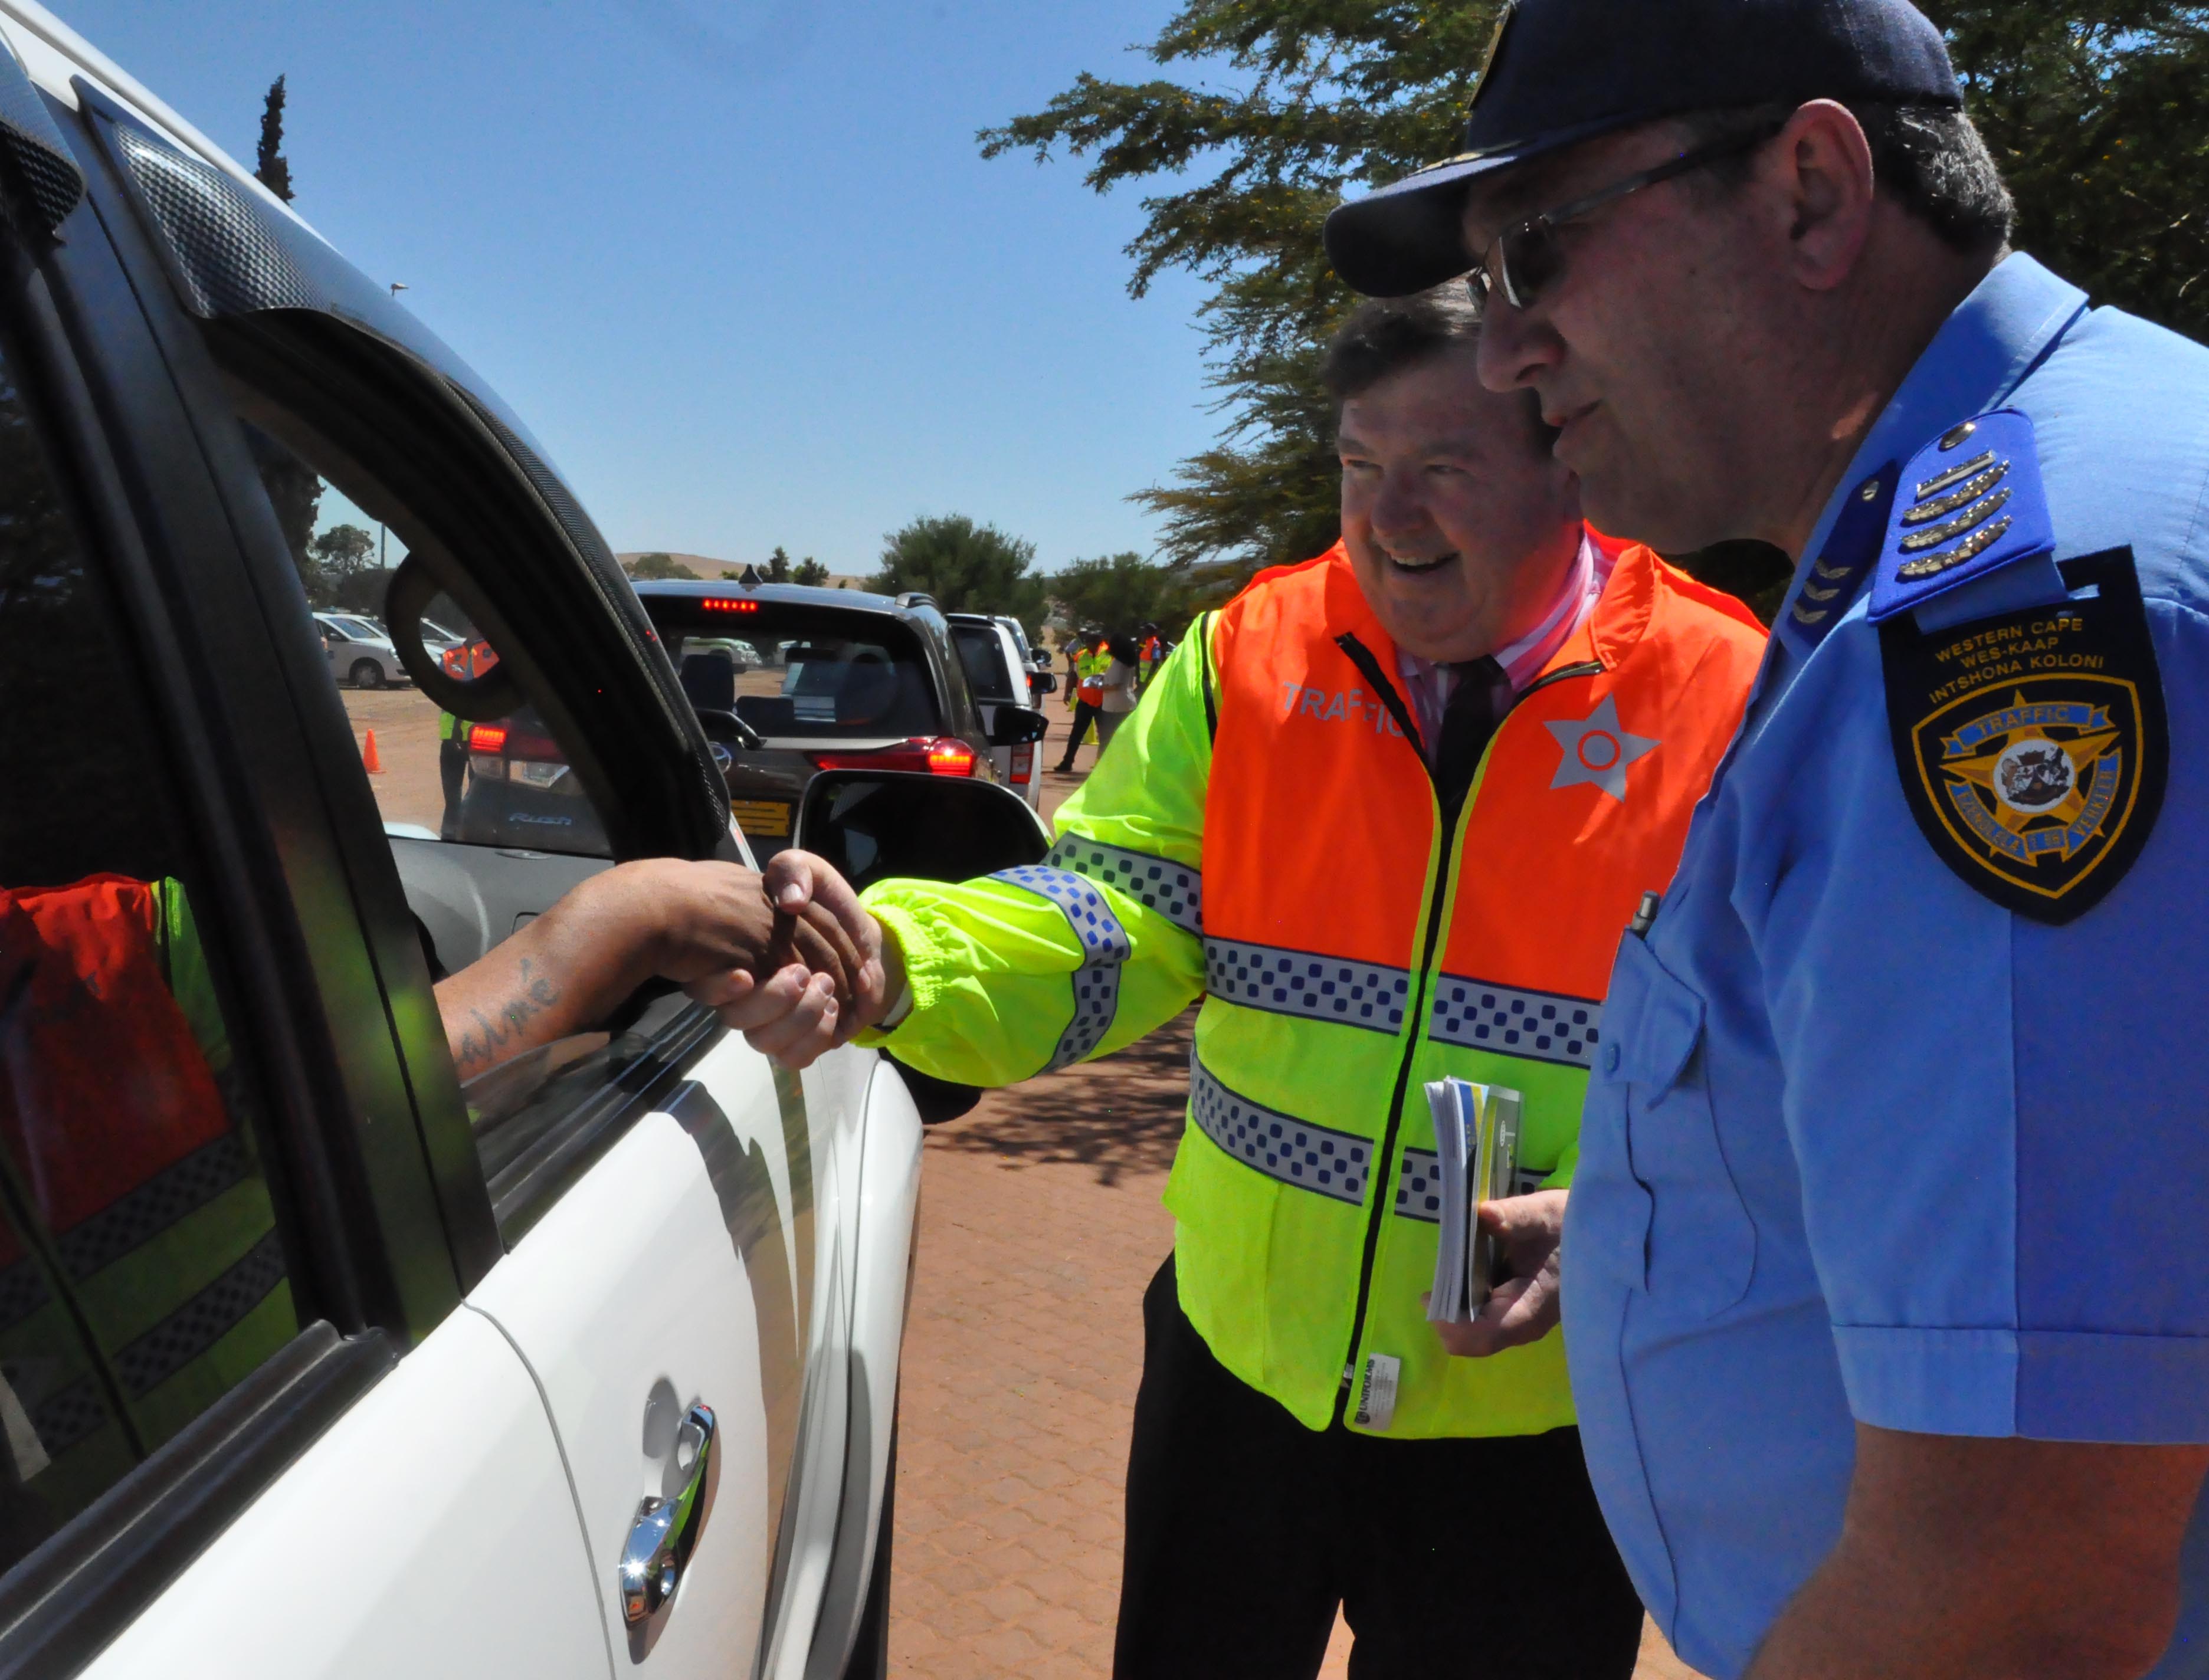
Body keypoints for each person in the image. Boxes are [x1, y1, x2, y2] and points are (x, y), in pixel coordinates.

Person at [687, 287, 1768, 1678]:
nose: (1385, 516)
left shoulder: (1726, 695)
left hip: (1537, 1428)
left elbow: (1796, 1051)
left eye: (1440, 466)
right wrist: (899, 957)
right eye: (1357, 466)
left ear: (1568, 459)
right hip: (1234, 1375)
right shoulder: (1243, 657)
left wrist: (1629, 1212)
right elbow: (1116, 914)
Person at [1322, 2, 2209, 1676]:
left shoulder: (2006, 628)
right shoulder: (1981, 522)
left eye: (1542, 254)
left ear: (1810, 191)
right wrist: (1649, 1223)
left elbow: (2015, 1582)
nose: (1507, 348)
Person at [1053, 626, 1109, 775]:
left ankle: (1103, 765)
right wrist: (1067, 693)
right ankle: (1067, 762)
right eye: (1087, 642)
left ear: (1098, 642)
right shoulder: (1080, 656)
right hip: (1085, 701)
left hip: (1104, 702)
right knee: (1076, 734)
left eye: (1090, 642)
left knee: (1105, 735)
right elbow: (1073, 676)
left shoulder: (1109, 654)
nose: (1087, 644)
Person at [1093, 631, 1140, 750]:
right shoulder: (1128, 663)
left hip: (1114, 706)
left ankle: (1103, 765)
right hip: (1128, 702)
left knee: (1107, 739)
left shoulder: (1118, 664)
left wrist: (1098, 686)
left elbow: (1115, 686)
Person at [1134, 621, 1165, 693]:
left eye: (1145, 631)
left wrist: (1148, 679)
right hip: (1142, 678)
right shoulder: (1145, 642)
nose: (1143, 633)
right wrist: (1142, 643)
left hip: (1149, 680)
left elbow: (1155, 663)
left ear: (1150, 632)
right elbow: (1138, 655)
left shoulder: (1155, 644)